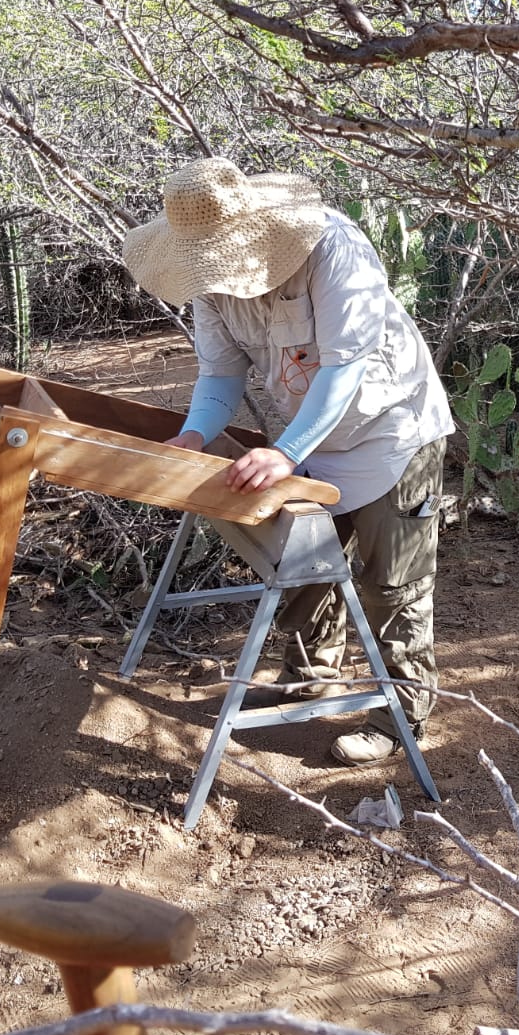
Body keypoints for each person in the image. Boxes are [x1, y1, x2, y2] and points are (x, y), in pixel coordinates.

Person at [123, 157, 454, 767]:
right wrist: (194, 435)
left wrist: (285, 453)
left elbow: (345, 366)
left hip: (392, 430)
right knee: (303, 562)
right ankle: (308, 676)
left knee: (393, 584)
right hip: (305, 436)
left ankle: (400, 715)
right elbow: (220, 372)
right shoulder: (209, 281)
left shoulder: (332, 247)